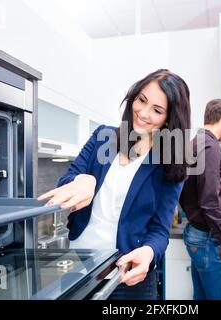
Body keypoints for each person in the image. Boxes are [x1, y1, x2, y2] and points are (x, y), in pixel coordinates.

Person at [38, 69, 191, 300]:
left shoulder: (169, 164)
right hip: (78, 268)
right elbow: (68, 181)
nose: (143, 113)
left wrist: (148, 253)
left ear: (169, 119)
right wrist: (84, 179)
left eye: (157, 110)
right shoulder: (104, 137)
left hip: (126, 277)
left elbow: (160, 230)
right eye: (141, 100)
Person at [179, 99, 221, 300]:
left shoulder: (194, 143)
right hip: (210, 238)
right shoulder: (210, 146)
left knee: (201, 297)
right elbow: (209, 200)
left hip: (198, 233)